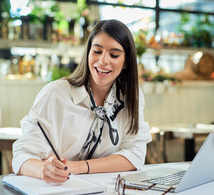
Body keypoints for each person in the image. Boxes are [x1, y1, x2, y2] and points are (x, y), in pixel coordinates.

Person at [12, 19, 151, 183]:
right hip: (58, 193)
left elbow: (135, 154)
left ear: (126, 61)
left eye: (114, 55)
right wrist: (43, 170)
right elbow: (22, 156)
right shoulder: (56, 93)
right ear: (88, 53)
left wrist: (79, 167)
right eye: (97, 51)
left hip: (106, 194)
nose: (103, 61)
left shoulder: (130, 95)